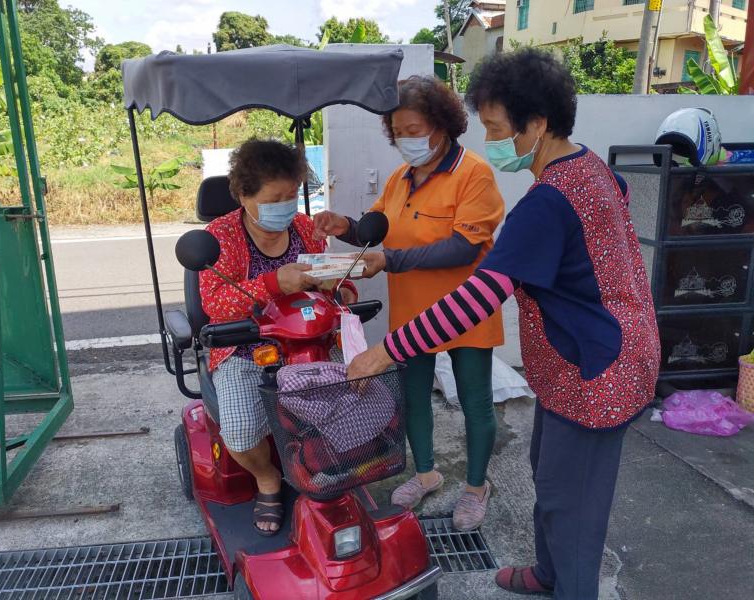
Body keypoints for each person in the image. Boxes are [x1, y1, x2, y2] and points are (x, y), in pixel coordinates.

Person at [348, 49, 660, 600]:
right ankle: (548, 574)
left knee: (573, 506)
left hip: (598, 368)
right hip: (578, 360)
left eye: (495, 128)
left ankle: (571, 587)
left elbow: (478, 296)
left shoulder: (547, 203)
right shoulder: (591, 168)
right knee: (547, 472)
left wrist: (385, 351)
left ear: (536, 124)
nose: (490, 140)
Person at [314, 75, 505, 531]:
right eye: (398, 131)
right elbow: (378, 227)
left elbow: (463, 248)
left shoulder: (474, 174)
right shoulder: (400, 179)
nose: (405, 140)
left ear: (442, 125)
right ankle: (426, 474)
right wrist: (345, 226)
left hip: (465, 311)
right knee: (414, 398)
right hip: (413, 314)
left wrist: (390, 259)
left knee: (475, 402)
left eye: (414, 129)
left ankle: (476, 487)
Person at [199, 139, 356, 536]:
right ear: (244, 195)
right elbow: (215, 303)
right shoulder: (221, 235)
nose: (285, 206)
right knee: (239, 432)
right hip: (244, 349)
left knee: (352, 404)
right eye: (274, 199)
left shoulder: (304, 228)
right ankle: (267, 477)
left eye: (291, 196)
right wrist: (272, 283)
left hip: (309, 343)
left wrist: (340, 288)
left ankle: (321, 465)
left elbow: (330, 282)